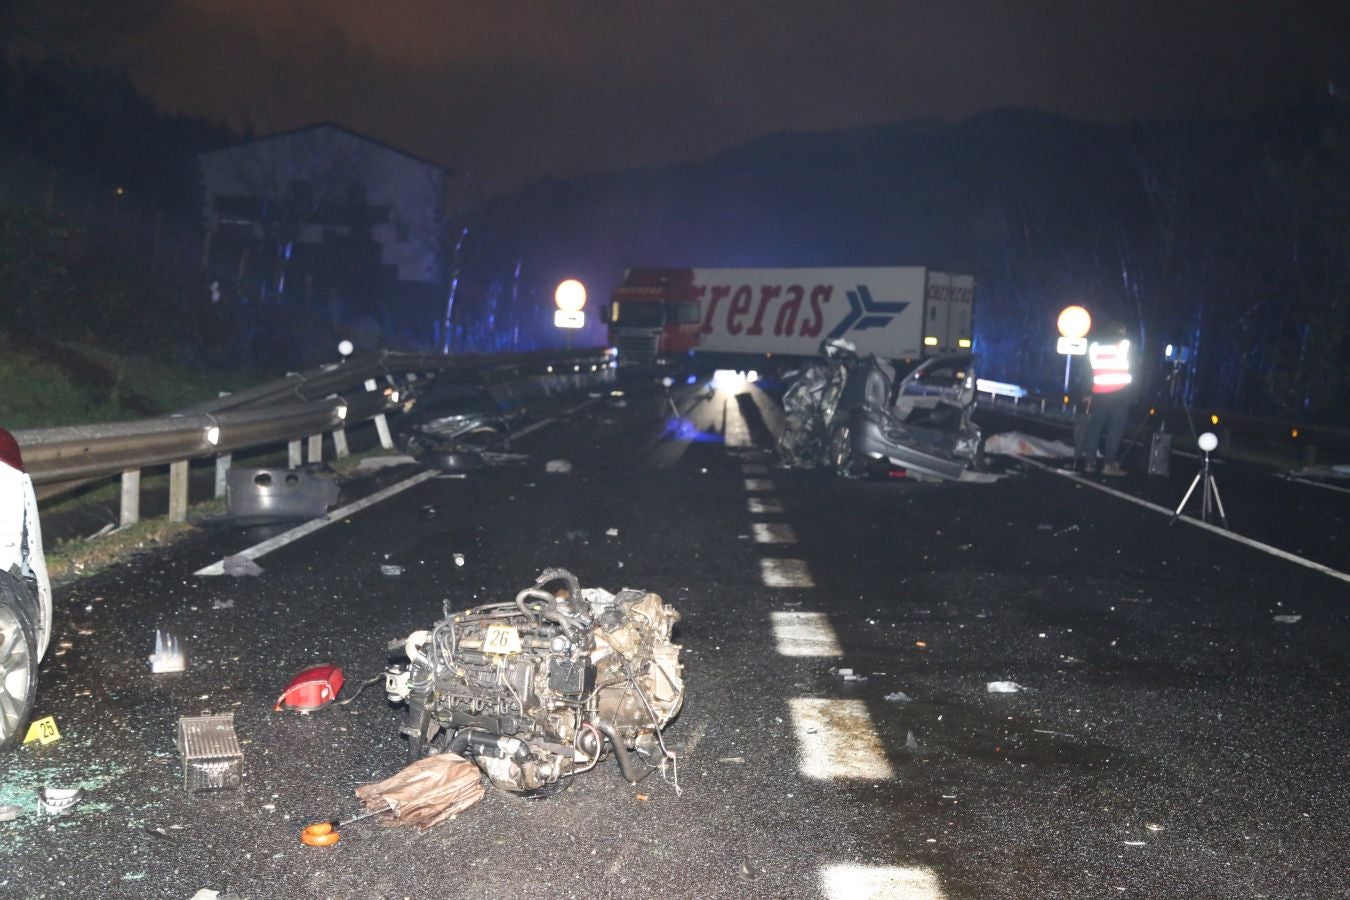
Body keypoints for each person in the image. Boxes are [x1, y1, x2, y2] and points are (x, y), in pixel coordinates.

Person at [1074, 321, 1135, 476]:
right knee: (1115, 431)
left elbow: (1087, 370)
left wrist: (1087, 393)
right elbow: (1135, 368)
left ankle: (1089, 463)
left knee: (1095, 429)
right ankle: (1108, 464)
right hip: (1120, 394)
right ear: (1120, 329)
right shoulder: (1125, 344)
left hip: (1100, 394)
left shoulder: (1094, 346)